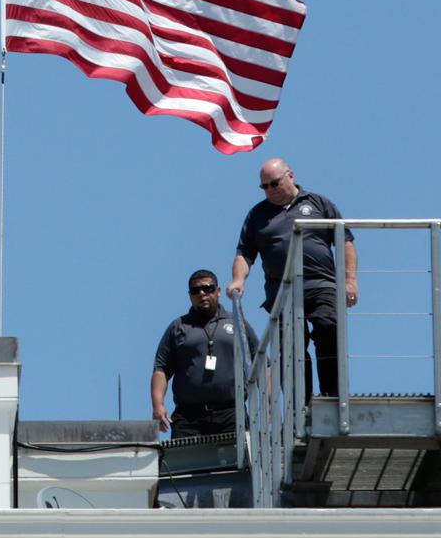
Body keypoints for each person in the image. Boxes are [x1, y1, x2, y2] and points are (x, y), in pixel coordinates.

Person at [226, 158, 358, 398]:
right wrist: (238, 280)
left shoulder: (319, 203)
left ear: (291, 176)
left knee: (328, 329)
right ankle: (301, 404)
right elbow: (245, 254)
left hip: (321, 284)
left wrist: (350, 280)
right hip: (282, 290)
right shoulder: (257, 215)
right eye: (264, 186)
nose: (269, 190)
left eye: (274, 183)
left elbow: (345, 241)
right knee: (292, 346)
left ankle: (333, 396)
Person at [151, 269, 259, 438]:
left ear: (218, 291)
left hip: (230, 414)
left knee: (238, 463)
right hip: (188, 418)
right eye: (196, 291)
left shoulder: (237, 322)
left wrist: (268, 402)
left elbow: (260, 364)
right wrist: (158, 405)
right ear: (190, 295)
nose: (202, 294)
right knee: (185, 463)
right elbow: (161, 369)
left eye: (208, 288)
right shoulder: (178, 327)